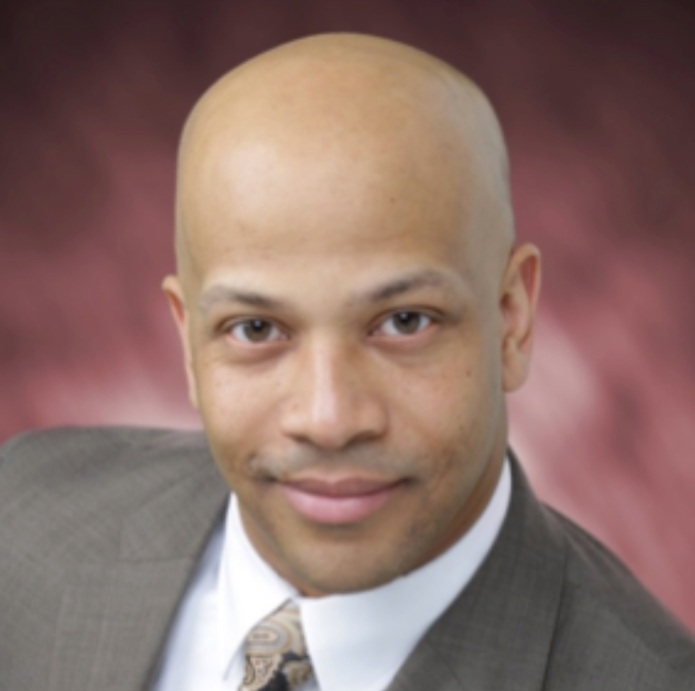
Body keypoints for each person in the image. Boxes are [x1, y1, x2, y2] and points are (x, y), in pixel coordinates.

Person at [0, 33, 693, 691]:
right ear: (189, 343)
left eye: (404, 322)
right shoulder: (21, 519)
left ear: (511, 320)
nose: (329, 420)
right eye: (255, 329)